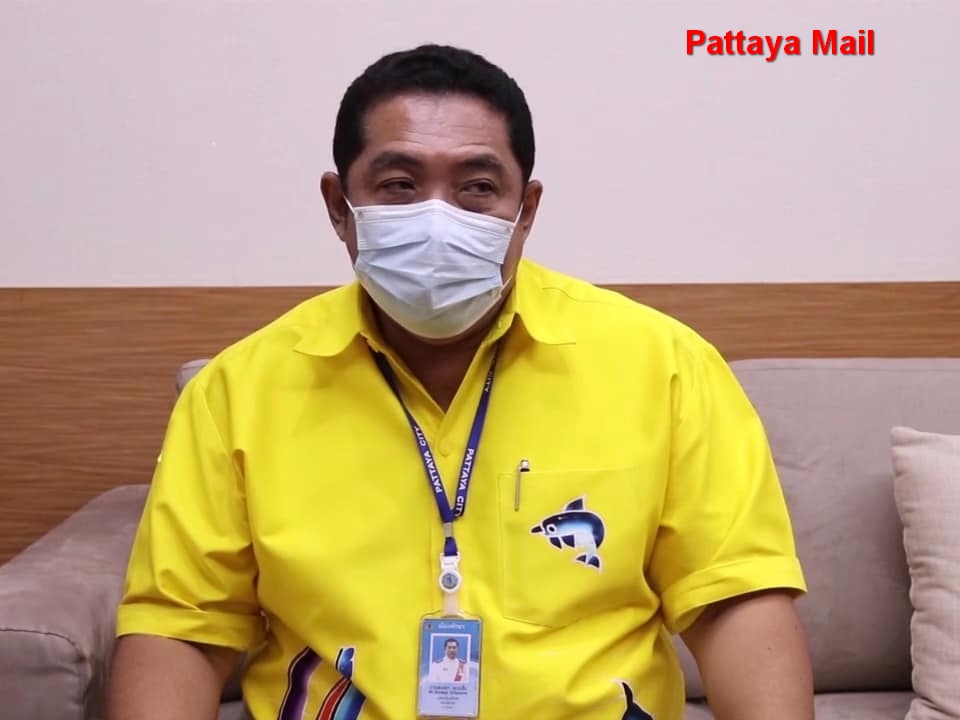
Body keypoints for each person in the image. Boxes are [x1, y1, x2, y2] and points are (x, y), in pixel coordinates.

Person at [106, 44, 814, 720]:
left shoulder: (664, 366)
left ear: (526, 210)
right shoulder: (237, 393)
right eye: (400, 185)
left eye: (477, 188)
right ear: (338, 205)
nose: (437, 220)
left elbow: (735, 602)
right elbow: (181, 628)